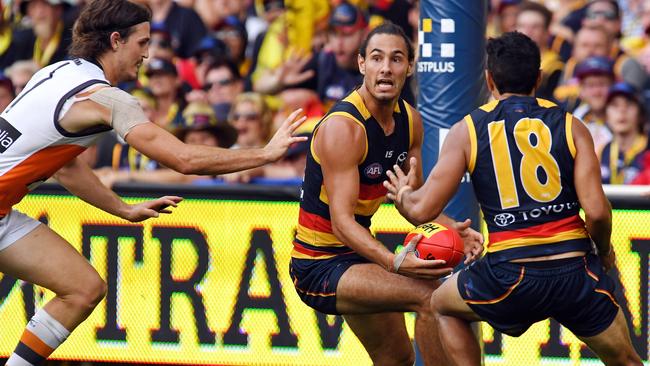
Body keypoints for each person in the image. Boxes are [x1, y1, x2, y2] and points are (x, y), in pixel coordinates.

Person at [0, 1, 306, 365]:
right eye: (142, 43)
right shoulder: (106, 99)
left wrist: (123, 209)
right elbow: (184, 159)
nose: (147, 54)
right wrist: (265, 154)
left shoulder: (58, 71)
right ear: (116, 40)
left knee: (83, 288)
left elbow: (65, 168)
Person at [384, 31, 643, 366]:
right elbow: (596, 212)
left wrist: (403, 194)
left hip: (511, 275)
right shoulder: (572, 126)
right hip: (575, 275)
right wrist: (604, 250)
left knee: (441, 304)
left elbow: (423, 209)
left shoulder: (469, 129)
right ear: (538, 78)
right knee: (628, 361)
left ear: (489, 79)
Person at [289, 22, 483, 365]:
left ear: (410, 66)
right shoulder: (343, 128)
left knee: (396, 359)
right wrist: (393, 262)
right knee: (433, 297)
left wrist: (455, 228)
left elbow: (412, 203)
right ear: (362, 64)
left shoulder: (411, 121)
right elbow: (342, 224)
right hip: (318, 266)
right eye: (377, 58)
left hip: (356, 258)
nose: (386, 68)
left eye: (396, 59)